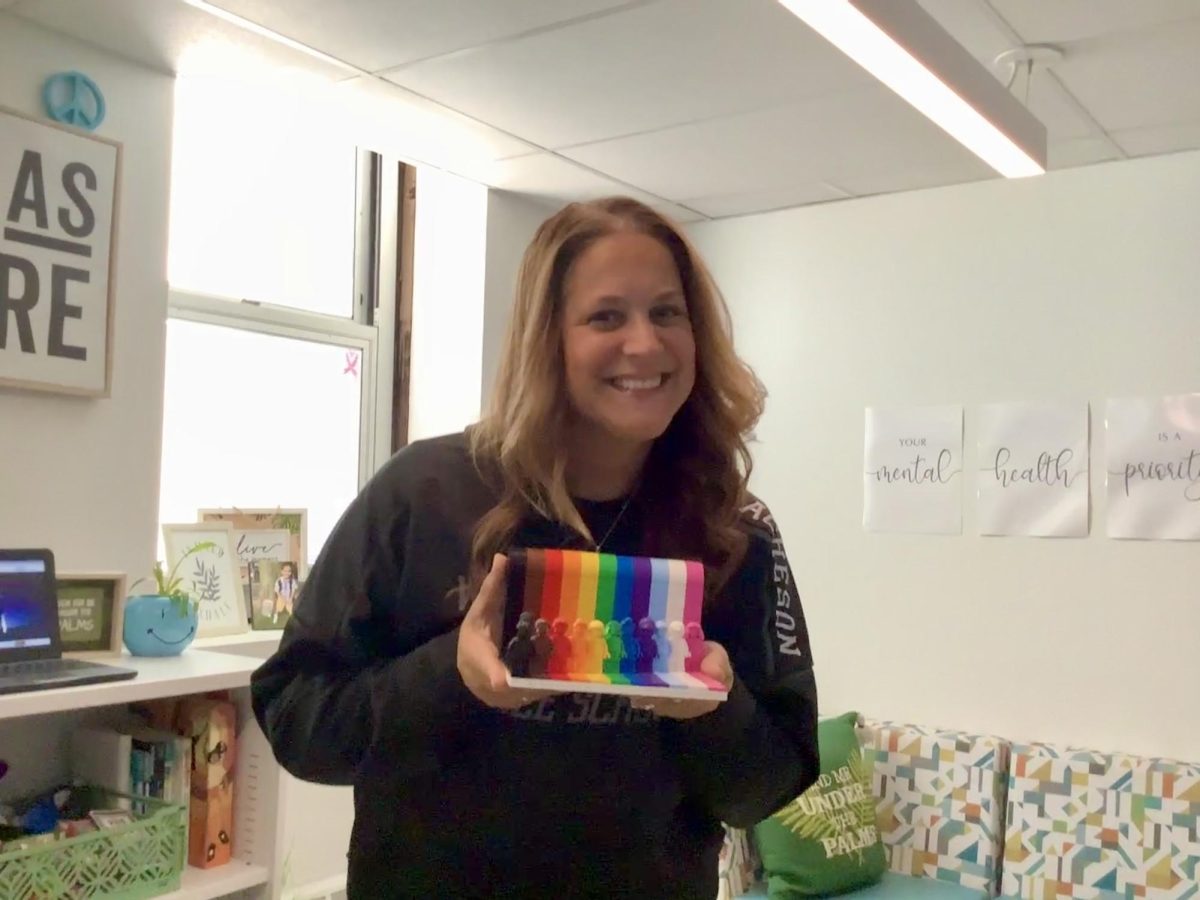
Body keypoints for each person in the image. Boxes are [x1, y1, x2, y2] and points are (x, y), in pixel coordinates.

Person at [250, 196, 819, 898]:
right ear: (547, 338)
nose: (644, 344)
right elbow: (295, 718)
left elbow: (770, 786)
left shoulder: (733, 529)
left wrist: (716, 708)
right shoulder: (422, 495)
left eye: (667, 312)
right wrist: (448, 678)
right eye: (606, 316)